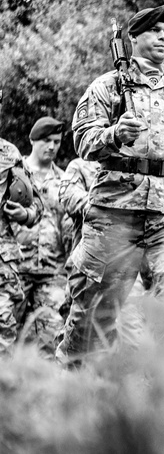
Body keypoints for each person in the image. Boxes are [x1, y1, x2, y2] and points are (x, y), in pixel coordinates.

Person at [57, 4, 164, 360]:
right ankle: (71, 385)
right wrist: (114, 135)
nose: (163, 38)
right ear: (133, 37)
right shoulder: (107, 87)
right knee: (93, 318)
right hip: (114, 216)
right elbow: (82, 141)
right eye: (156, 32)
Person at [13, 116, 72, 354]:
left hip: (52, 273)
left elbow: (69, 228)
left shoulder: (66, 180)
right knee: (6, 336)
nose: (52, 146)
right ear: (32, 140)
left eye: (57, 141)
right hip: (15, 270)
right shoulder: (14, 175)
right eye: (46, 140)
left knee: (51, 339)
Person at [0, 98, 42, 353]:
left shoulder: (9, 154)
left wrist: (24, 215)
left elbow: (36, 205)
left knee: (3, 330)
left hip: (2, 264)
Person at [59, 157, 100, 252]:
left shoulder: (136, 164)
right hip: (89, 252)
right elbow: (69, 197)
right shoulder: (81, 165)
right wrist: (103, 205)